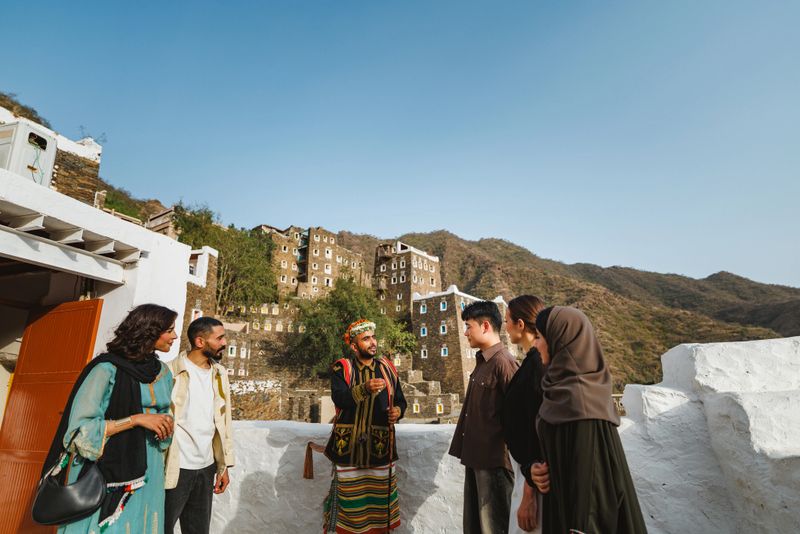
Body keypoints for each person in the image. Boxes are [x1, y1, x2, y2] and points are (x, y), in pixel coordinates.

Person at [42, 304, 177, 533]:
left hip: (149, 466)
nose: (175, 336)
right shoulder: (106, 369)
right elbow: (79, 430)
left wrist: (165, 425)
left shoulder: (163, 372)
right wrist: (135, 420)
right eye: (169, 330)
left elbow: (165, 415)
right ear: (149, 331)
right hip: (106, 468)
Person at [530, 306, 647, 534]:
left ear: (560, 340)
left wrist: (581, 528)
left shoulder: (580, 398)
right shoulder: (561, 390)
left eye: (539, 337)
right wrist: (538, 469)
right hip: (564, 509)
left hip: (582, 522)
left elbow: (594, 484)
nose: (535, 344)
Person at [323, 319, 407, 534]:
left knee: (379, 508)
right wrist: (364, 389)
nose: (373, 343)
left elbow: (400, 400)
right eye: (366, 339)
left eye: (374, 337)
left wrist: (398, 411)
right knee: (350, 508)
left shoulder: (387, 368)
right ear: (354, 346)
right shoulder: (342, 368)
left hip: (380, 449)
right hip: (348, 449)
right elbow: (340, 398)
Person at [449, 300, 519, 534]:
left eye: (468, 326)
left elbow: (521, 417)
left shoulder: (504, 363)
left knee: (495, 527)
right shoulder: (483, 362)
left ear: (485, 326)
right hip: (477, 459)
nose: (466, 332)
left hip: (495, 463)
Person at [164, 317, 235, 534]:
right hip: (176, 468)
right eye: (220, 338)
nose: (225, 343)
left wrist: (224, 466)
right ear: (200, 342)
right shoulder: (169, 373)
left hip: (206, 468)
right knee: (161, 528)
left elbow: (224, 422)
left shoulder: (219, 374)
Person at [502, 295, 547, 534]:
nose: (505, 326)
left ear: (520, 325)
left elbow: (538, 429)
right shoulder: (531, 362)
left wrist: (529, 494)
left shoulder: (537, 366)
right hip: (526, 473)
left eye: (508, 320)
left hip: (533, 479)